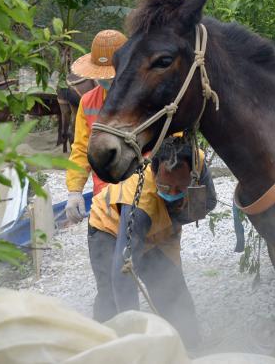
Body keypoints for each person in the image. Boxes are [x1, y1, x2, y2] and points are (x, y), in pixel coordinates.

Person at [86, 136, 217, 347]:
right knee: (111, 299)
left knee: (173, 295)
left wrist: (175, 218)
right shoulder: (139, 205)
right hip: (108, 228)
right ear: (154, 172)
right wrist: (134, 335)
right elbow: (124, 272)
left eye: (180, 188)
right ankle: (104, 349)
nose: (173, 194)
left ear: (193, 175)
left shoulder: (197, 160)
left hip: (158, 234)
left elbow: (208, 202)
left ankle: (190, 350)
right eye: (165, 188)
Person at [65, 30, 128, 223]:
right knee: (104, 249)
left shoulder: (147, 97)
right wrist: (74, 191)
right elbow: (82, 148)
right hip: (104, 197)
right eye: (104, 76)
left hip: (146, 194)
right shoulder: (88, 102)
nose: (107, 81)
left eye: (111, 76)